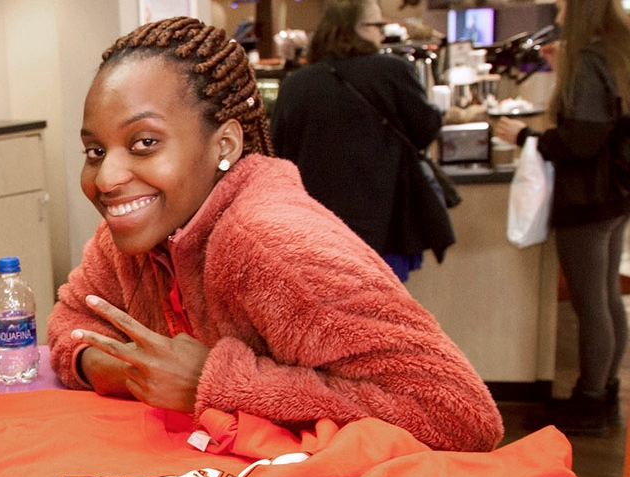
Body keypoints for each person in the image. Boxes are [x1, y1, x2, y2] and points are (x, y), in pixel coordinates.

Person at [46, 16, 503, 453]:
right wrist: (134, 370)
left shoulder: (273, 245)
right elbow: (69, 323)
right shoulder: (137, 234)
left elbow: (460, 414)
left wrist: (212, 383)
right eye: (95, 150)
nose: (106, 178)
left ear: (224, 145)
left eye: (145, 142)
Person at [495, 0, 630, 436]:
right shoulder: (617, 48)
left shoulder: (589, 57)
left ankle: (589, 402)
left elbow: (583, 139)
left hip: (586, 197)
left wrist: (528, 137)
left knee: (591, 305)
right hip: (613, 194)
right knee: (607, 299)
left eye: (562, 8)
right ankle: (602, 391)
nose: (556, 16)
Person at [270, 0, 450, 282]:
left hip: (315, 230)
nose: (382, 33)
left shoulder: (296, 84)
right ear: (357, 29)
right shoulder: (392, 71)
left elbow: (277, 153)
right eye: (378, 25)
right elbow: (425, 129)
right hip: (384, 224)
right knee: (383, 312)